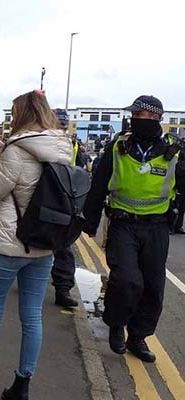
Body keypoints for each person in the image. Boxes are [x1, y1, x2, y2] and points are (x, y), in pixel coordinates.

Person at [0, 90, 72, 400]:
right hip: (44, 244)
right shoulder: (63, 148)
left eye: (13, 111)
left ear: (22, 114)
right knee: (32, 316)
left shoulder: (17, 149)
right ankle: (22, 386)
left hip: (9, 244)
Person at [83, 95, 178, 363]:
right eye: (134, 115)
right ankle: (115, 324)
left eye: (140, 115)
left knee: (152, 286)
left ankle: (138, 337)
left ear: (156, 117)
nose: (135, 119)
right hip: (123, 223)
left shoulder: (174, 150)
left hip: (157, 227)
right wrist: (90, 222)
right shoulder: (118, 146)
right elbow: (99, 184)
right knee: (126, 280)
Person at [50, 109, 85, 308]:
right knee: (33, 245)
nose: (62, 128)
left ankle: (63, 290)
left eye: (64, 125)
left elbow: (80, 173)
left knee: (64, 249)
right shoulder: (41, 141)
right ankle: (26, 280)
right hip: (43, 199)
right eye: (59, 124)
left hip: (64, 204)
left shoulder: (73, 145)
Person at [171, 151, 185, 234]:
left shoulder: (179, 163)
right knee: (178, 208)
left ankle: (176, 227)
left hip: (180, 188)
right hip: (180, 188)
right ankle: (174, 227)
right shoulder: (181, 164)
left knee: (179, 208)